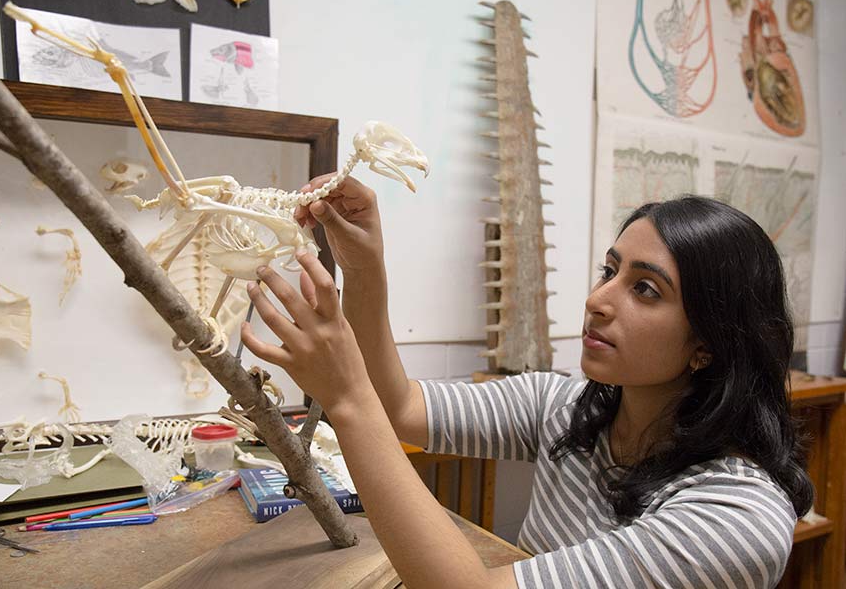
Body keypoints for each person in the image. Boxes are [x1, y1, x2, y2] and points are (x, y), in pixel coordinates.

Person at [239, 174, 813, 589]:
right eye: (609, 272)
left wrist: (345, 397)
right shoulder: (567, 408)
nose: (597, 301)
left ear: (709, 344)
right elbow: (400, 407)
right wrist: (363, 267)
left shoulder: (735, 518)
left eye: (645, 289)